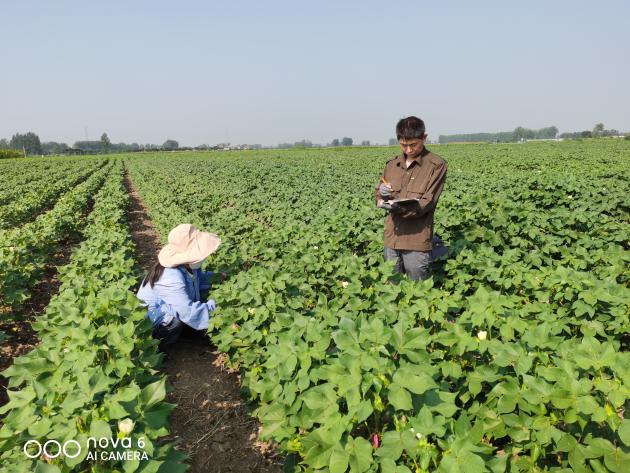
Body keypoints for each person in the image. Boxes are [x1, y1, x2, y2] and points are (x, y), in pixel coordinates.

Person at [374, 116, 448, 280]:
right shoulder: (392, 165)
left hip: (416, 241)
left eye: (413, 144)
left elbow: (426, 203)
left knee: (418, 289)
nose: (408, 150)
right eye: (403, 145)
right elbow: (378, 195)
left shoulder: (436, 165)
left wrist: (396, 207)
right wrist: (380, 194)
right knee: (392, 288)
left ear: (424, 137)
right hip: (391, 238)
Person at [137, 223, 221, 351]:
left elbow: (198, 280)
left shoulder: (187, 266)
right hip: (150, 324)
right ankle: (157, 347)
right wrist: (218, 308)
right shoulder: (170, 276)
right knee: (174, 317)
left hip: (174, 307)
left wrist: (218, 277)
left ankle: (187, 329)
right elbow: (186, 310)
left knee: (192, 301)